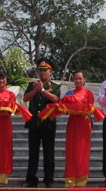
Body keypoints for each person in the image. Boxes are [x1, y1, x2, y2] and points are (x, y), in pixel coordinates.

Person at [23, 58, 61, 188]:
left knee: (49, 153)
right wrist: (36, 90)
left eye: (45, 70)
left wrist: (43, 90)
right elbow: (25, 98)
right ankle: (31, 179)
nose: (43, 72)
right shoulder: (32, 84)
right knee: (33, 152)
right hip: (34, 122)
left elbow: (56, 100)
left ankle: (49, 179)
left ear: (50, 71)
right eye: (41, 70)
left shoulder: (55, 85)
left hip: (48, 123)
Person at [62, 70, 95, 188]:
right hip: (72, 124)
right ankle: (70, 181)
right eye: (76, 78)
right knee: (71, 152)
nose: (78, 81)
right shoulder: (69, 93)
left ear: (84, 80)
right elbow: (64, 109)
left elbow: (90, 108)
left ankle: (81, 182)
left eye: (80, 78)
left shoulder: (89, 94)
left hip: (84, 124)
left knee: (82, 153)